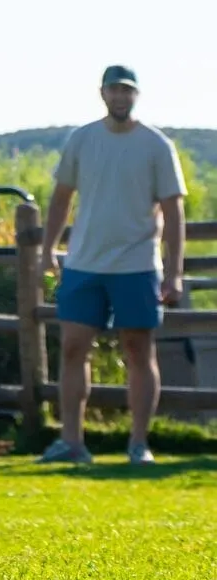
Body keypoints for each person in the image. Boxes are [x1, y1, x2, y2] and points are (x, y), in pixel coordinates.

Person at [39, 66, 185, 468]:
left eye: (127, 90)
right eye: (114, 90)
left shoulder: (156, 145)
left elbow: (174, 211)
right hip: (84, 263)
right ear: (102, 93)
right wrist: (48, 250)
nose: (120, 96)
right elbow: (61, 198)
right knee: (72, 349)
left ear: (135, 95)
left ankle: (139, 444)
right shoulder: (82, 140)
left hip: (137, 265)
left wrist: (174, 272)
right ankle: (72, 443)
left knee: (139, 351)